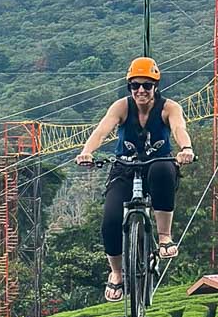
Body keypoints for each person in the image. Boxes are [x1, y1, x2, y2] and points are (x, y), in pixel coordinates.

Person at [75, 58, 195, 302]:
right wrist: (87, 151)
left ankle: (164, 236)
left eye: (147, 86)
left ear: (155, 87)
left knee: (163, 168)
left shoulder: (168, 107)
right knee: (110, 220)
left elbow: (178, 128)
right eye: (135, 85)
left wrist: (186, 148)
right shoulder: (122, 107)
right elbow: (102, 130)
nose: (141, 90)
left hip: (155, 166)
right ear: (129, 87)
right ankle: (117, 272)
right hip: (125, 167)